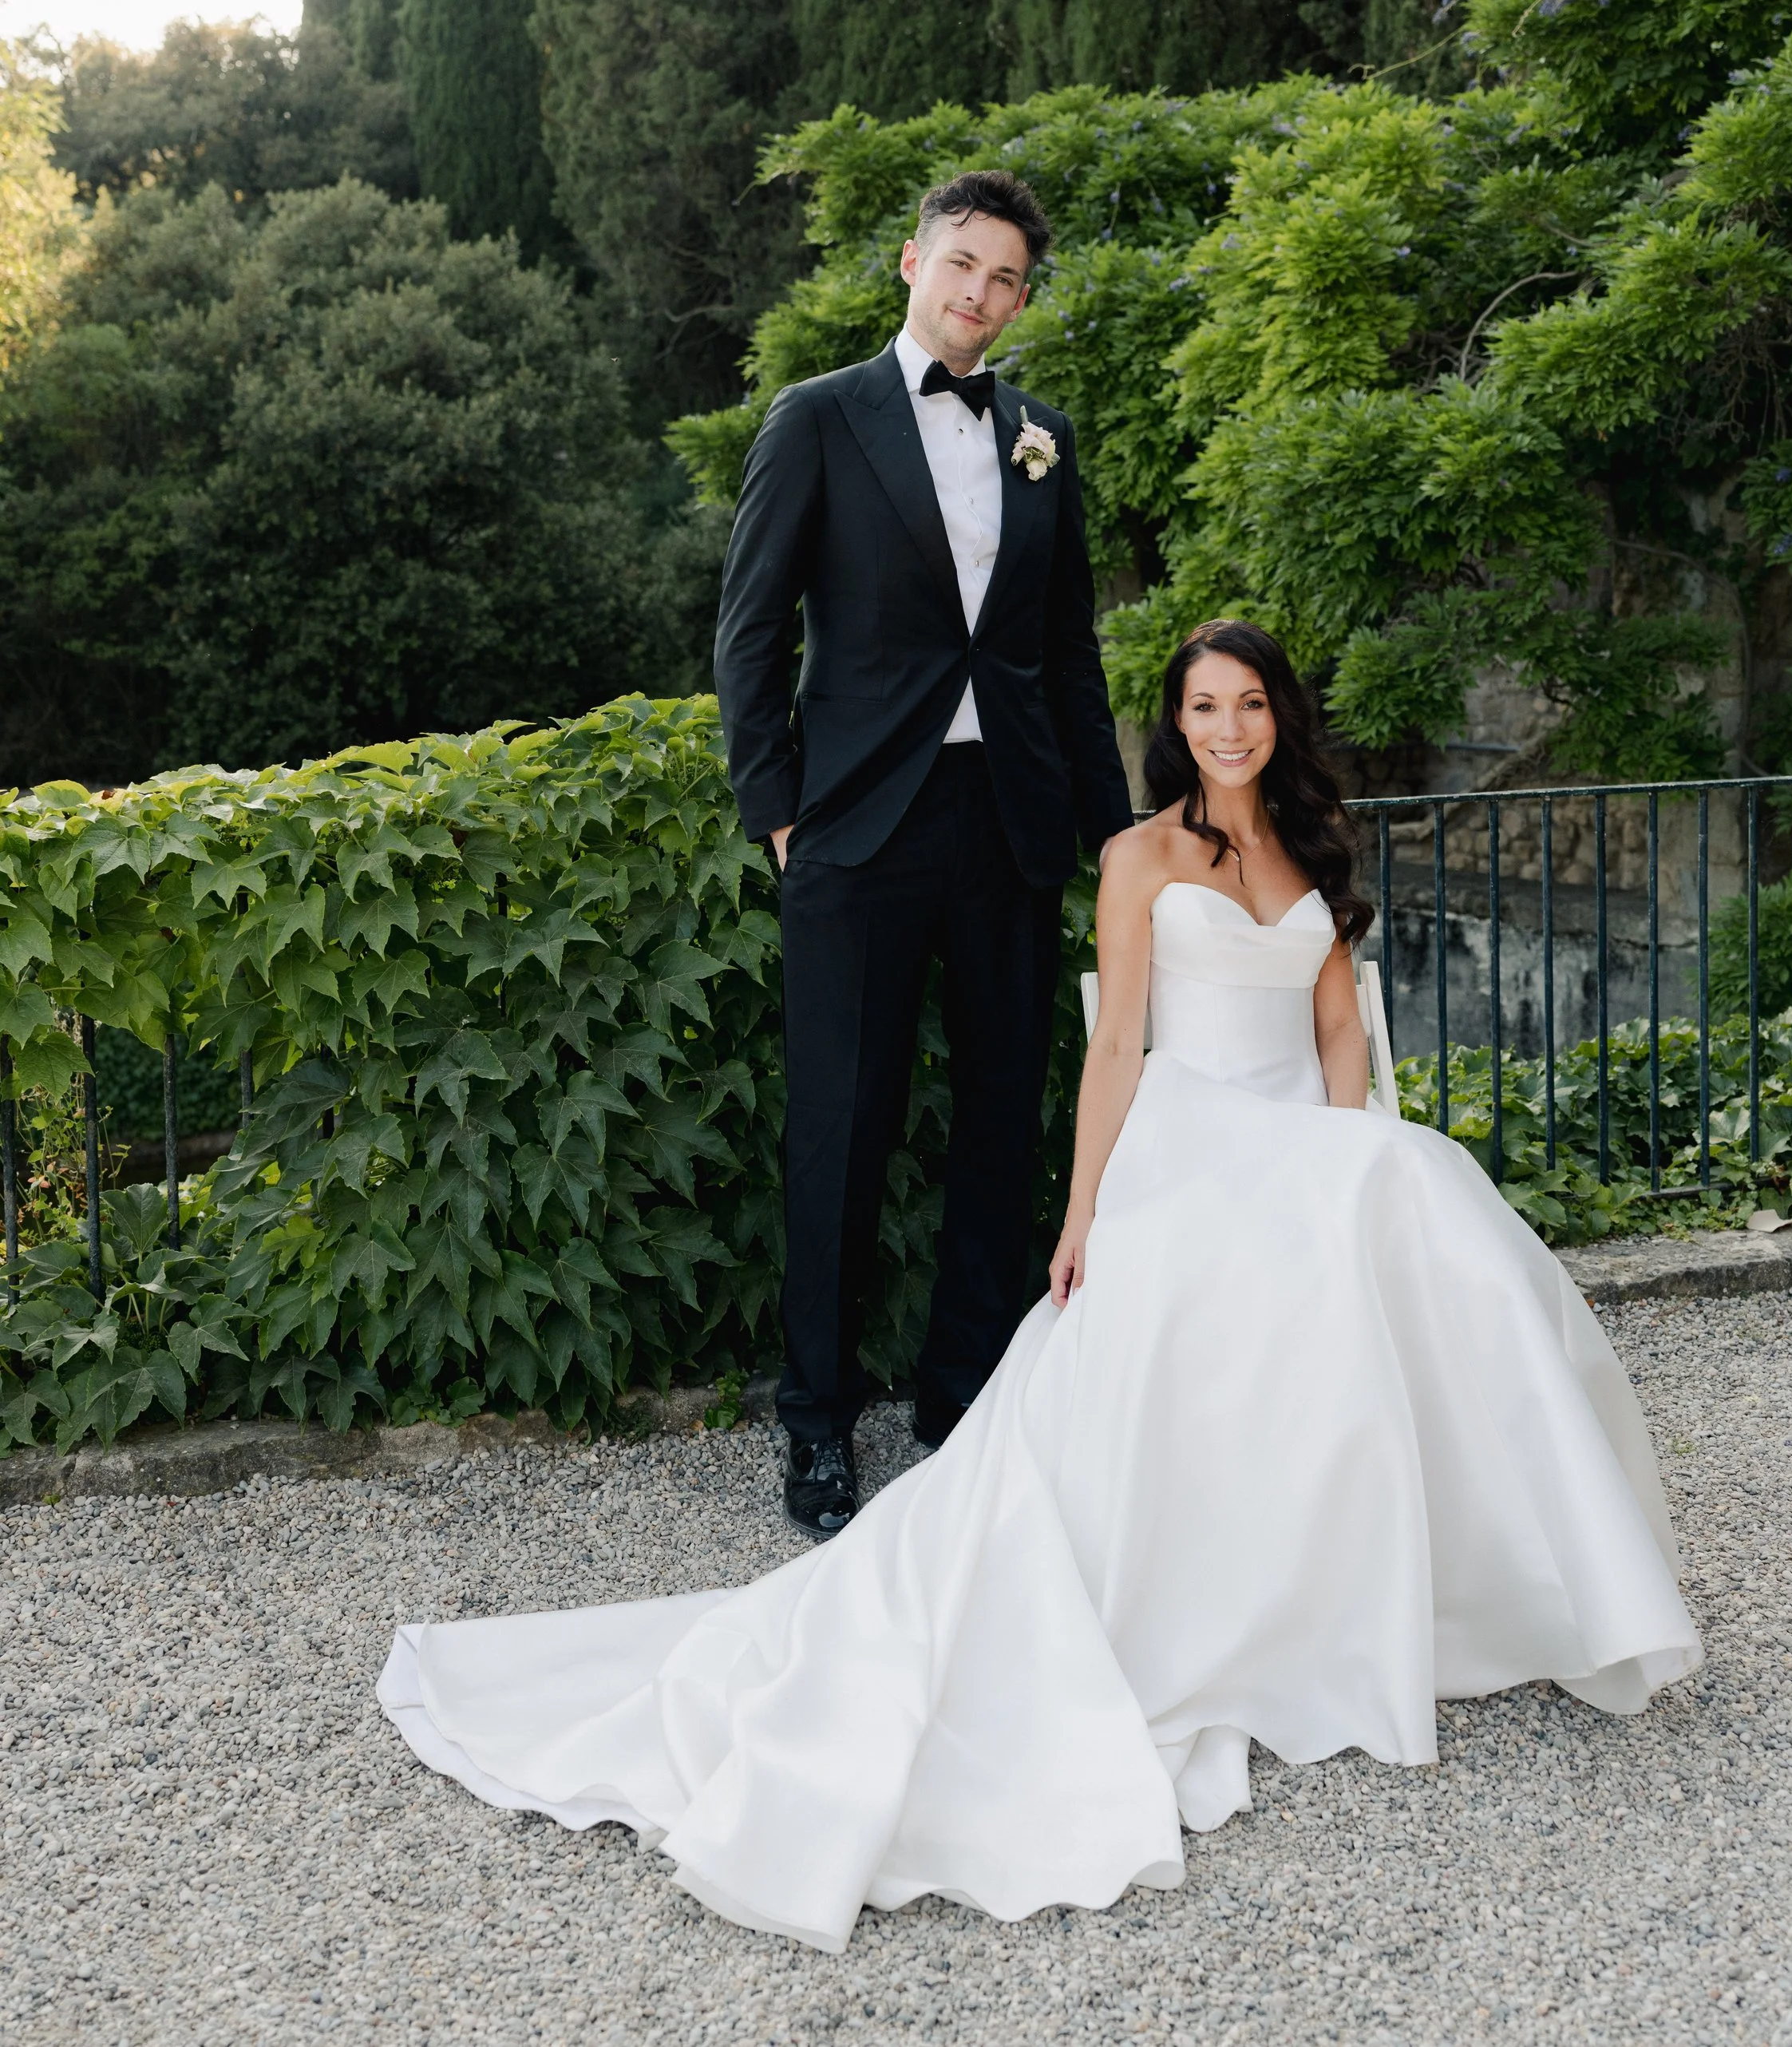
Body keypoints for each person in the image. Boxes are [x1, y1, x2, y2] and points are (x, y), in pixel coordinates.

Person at [378, 618, 1702, 1954]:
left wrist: (1349, 1159)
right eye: (1204, 708)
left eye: (1250, 705)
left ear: (1278, 718)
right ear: (1173, 727)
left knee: (1421, 1201)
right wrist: (1085, 1218)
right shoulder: (1137, 856)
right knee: (1188, 1321)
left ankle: (1437, 1587)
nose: (1230, 729)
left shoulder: (1316, 840)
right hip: (1189, 1140)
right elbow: (1117, 1043)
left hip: (1304, 1137)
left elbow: (1340, 1024)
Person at [709, 168, 1133, 1535]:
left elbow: (1068, 657)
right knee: (841, 1127)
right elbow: (750, 630)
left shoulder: (1044, 439)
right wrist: (780, 812)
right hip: (856, 833)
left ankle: (965, 1404)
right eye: (962, 262)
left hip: (1007, 825)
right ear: (911, 262)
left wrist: (1116, 840)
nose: (980, 292)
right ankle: (818, 1426)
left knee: (1005, 1125)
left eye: (1007, 278)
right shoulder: (816, 420)